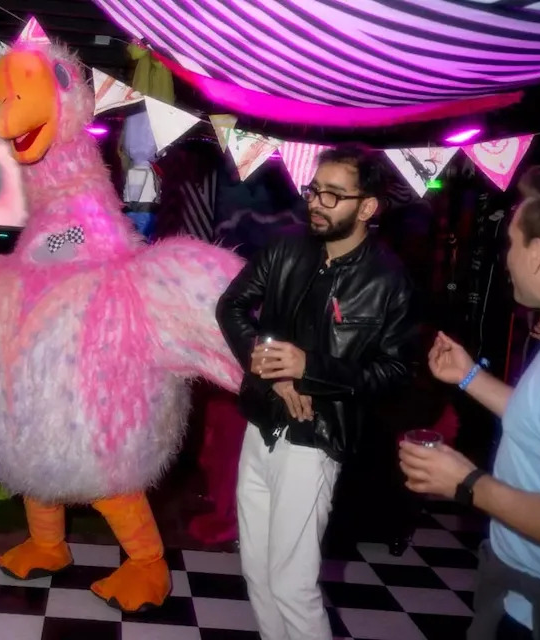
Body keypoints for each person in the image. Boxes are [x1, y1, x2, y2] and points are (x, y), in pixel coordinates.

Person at [217, 144, 418, 640]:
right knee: (258, 574)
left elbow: (395, 373)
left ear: (367, 207)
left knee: (292, 583)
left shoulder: (389, 280)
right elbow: (232, 308)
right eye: (314, 190)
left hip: (317, 438)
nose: (316, 202)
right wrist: (276, 371)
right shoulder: (288, 248)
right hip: (262, 422)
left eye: (333, 195)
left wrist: (311, 371)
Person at [399, 167, 540, 640]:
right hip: (517, 580)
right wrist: (469, 376)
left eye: (511, 244)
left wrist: (468, 483)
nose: (506, 259)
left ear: (536, 254)